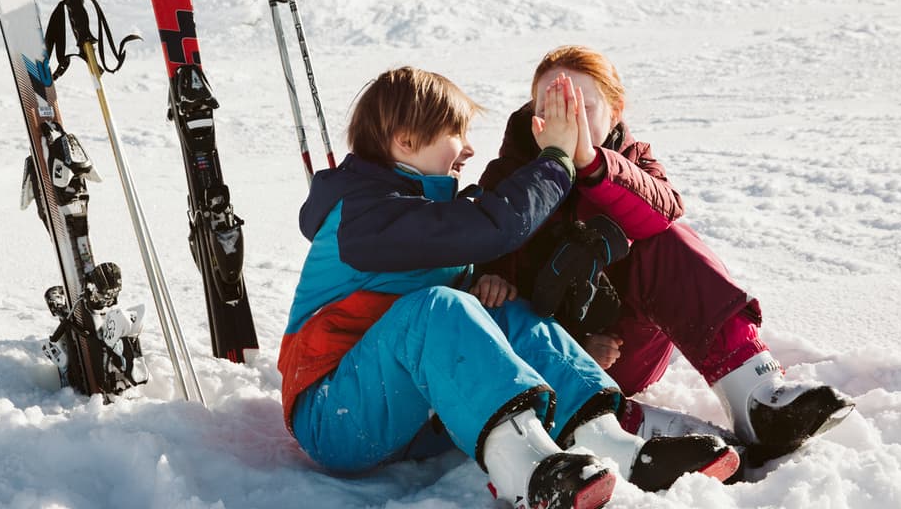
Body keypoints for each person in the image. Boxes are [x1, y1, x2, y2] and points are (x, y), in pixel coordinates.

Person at [278, 66, 740, 509]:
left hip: (415, 414)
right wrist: (557, 159)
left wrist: (481, 282)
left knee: (499, 307)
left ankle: (609, 439)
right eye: (455, 134)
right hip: (331, 416)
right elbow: (491, 226)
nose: (468, 151)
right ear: (406, 140)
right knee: (435, 309)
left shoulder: (412, 210)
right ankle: (529, 470)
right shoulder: (361, 216)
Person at [478, 45, 854, 461]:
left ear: (616, 111)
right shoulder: (510, 172)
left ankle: (757, 395)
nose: (567, 121)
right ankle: (630, 429)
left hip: (626, 346)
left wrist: (589, 162)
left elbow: (662, 212)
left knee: (665, 237)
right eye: (552, 108)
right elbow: (490, 245)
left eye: (583, 108)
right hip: (552, 353)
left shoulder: (634, 160)